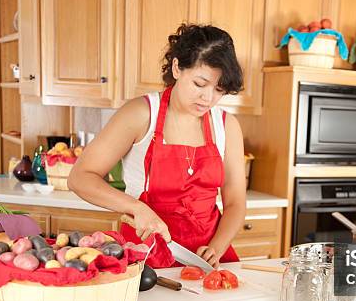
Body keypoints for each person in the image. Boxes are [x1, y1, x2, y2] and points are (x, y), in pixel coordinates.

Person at [68, 24, 246, 267]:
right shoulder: (140, 114)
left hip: (208, 258)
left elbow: (235, 202)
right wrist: (137, 209)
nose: (208, 98)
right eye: (199, 84)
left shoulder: (227, 126)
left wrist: (217, 248)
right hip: (146, 255)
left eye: (218, 89)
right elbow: (80, 177)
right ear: (176, 68)